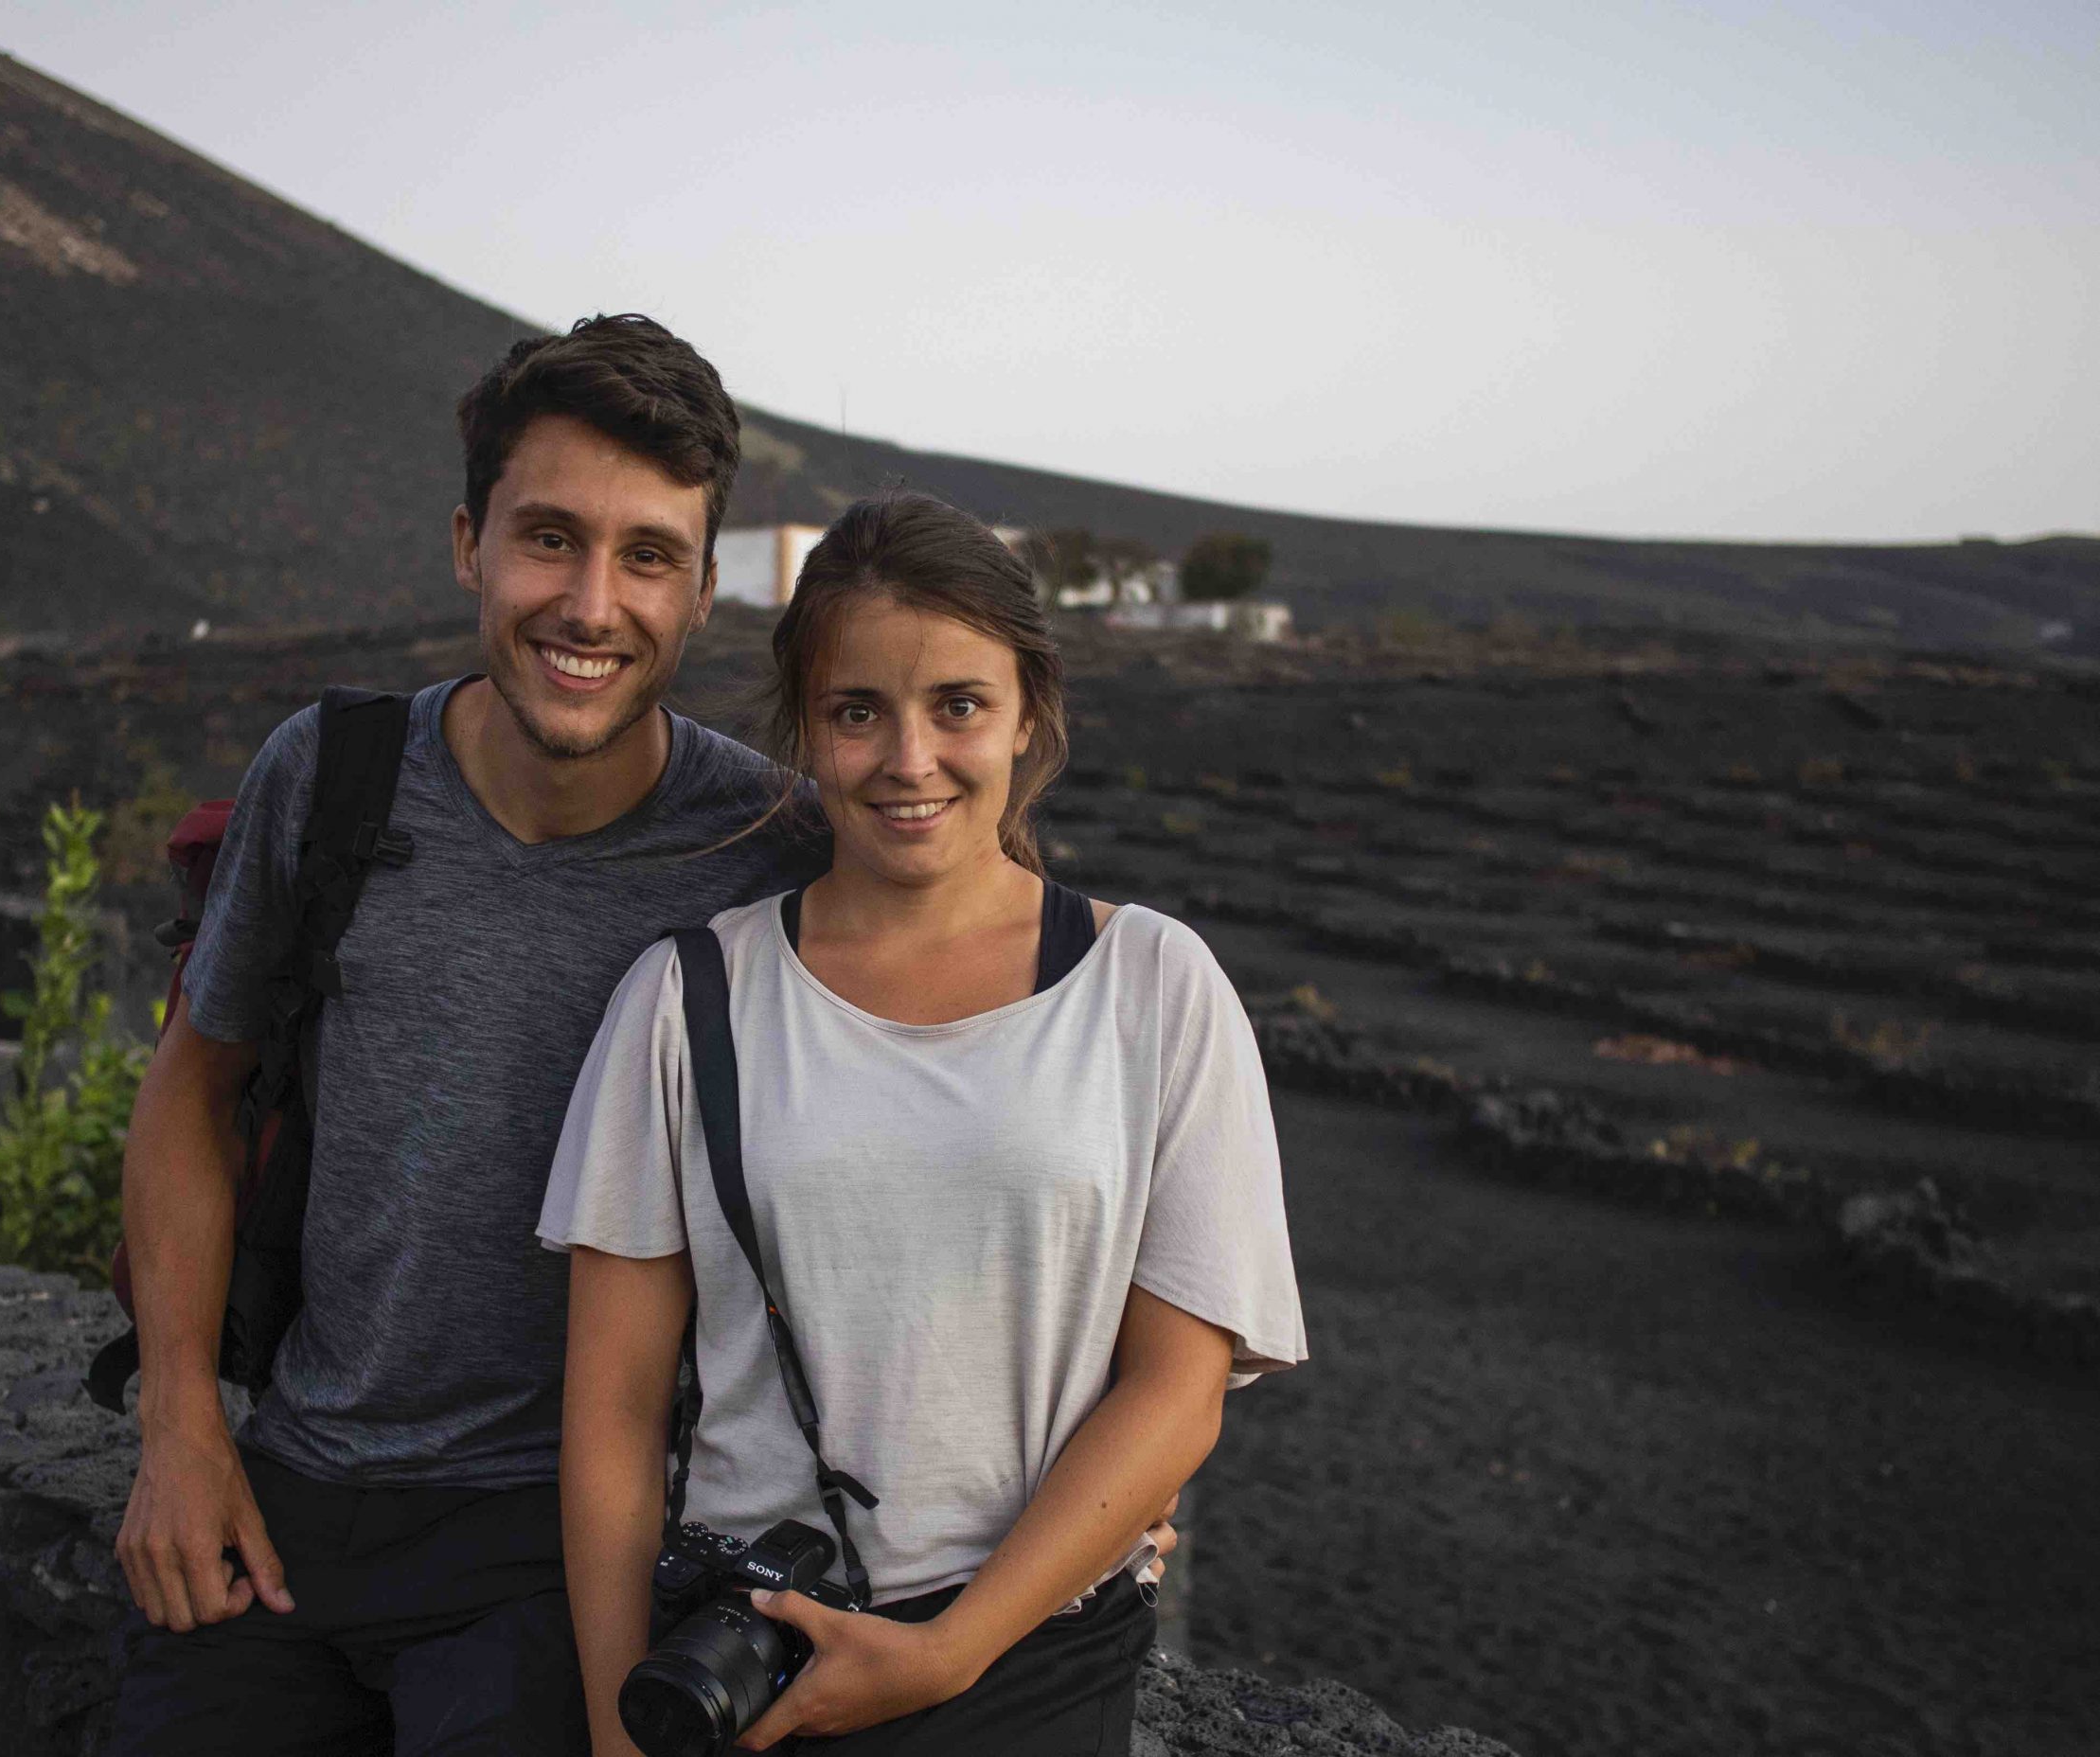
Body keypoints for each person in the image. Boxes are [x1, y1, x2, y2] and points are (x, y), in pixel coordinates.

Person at [107, 315, 830, 1755]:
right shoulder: (330, 775)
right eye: (548, 538)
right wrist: (179, 1424)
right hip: (288, 1488)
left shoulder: (772, 851)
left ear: (701, 596)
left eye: (647, 557)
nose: (590, 602)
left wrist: (1076, 1501)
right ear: (466, 544)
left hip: (567, 1539)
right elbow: (195, 1088)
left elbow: (944, 1139)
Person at [543, 492, 1308, 1755]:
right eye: (859, 712)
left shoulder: (1158, 987)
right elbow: (612, 1412)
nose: (909, 760)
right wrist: (618, 1728)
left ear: (1028, 718)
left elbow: (1179, 1389)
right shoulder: (689, 999)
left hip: (1033, 1660)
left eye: (958, 704)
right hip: (750, 1657)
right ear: (806, 727)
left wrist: (951, 1651)